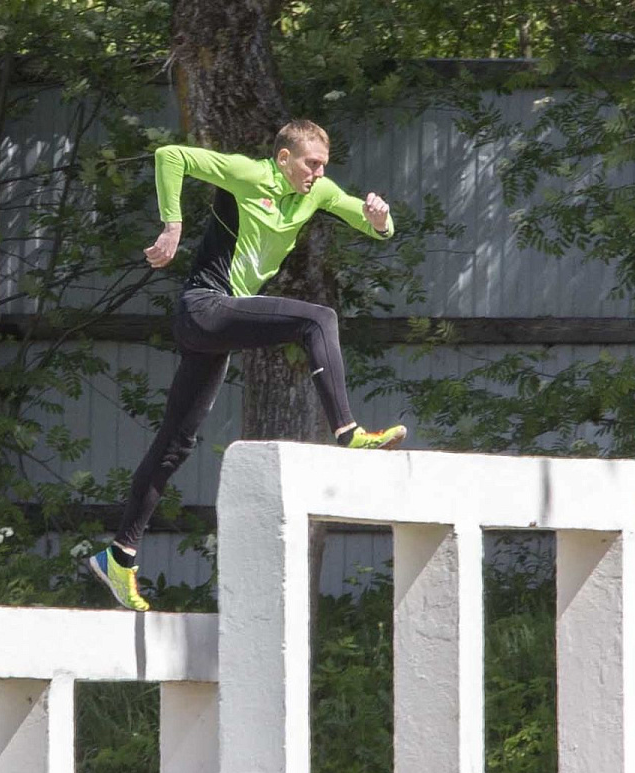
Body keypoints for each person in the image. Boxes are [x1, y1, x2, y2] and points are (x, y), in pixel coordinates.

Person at [88, 119, 407, 612]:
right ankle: (348, 431)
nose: (319, 174)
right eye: (311, 164)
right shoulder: (249, 174)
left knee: (176, 444)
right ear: (284, 159)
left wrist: (379, 217)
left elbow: (374, 227)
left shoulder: (317, 194)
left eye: (324, 166)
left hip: (217, 324)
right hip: (203, 306)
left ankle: (119, 556)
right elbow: (171, 156)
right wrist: (173, 226)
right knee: (318, 319)